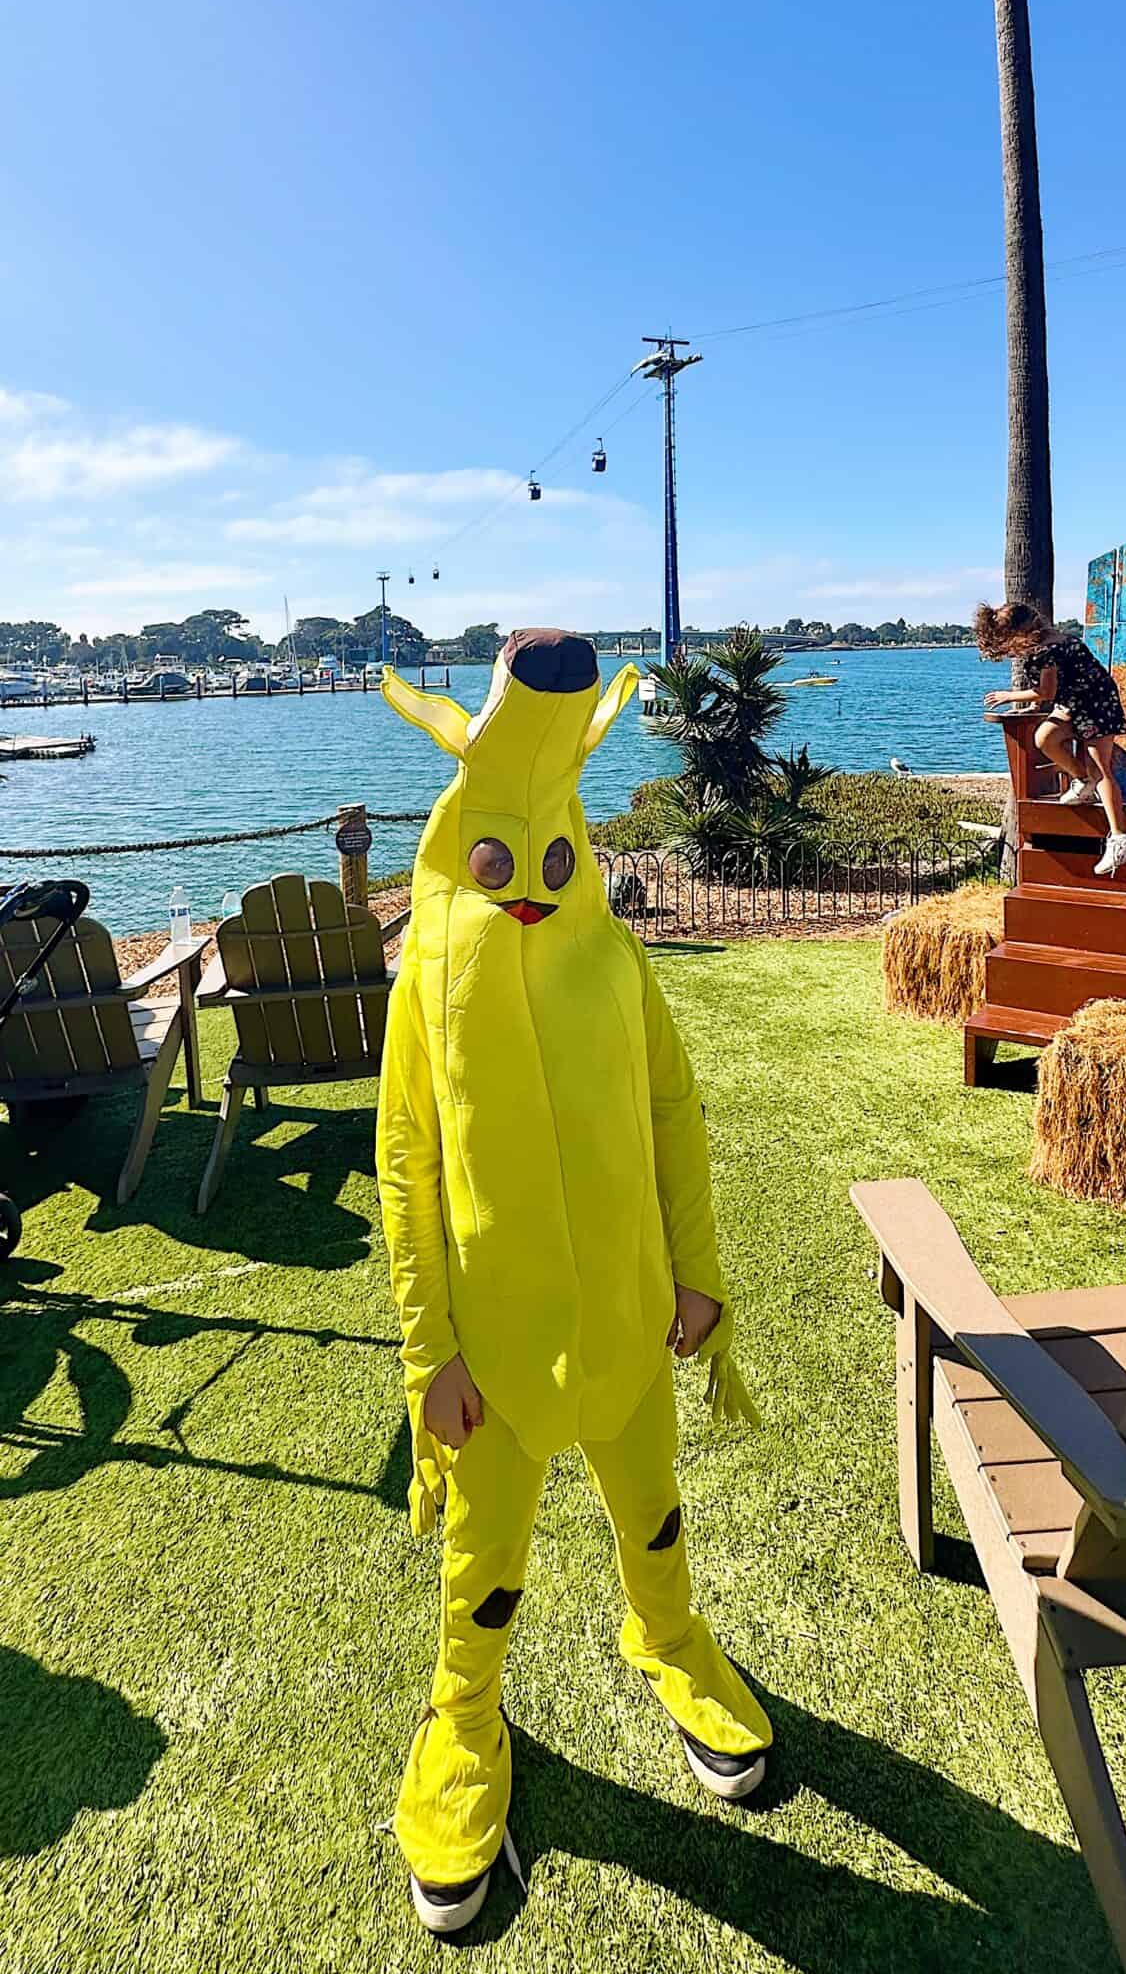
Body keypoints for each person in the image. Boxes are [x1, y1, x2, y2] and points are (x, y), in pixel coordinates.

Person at [376, 631, 771, 1936]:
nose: (532, 890)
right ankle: (465, 1723)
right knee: (481, 1576)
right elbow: (406, 1168)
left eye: (553, 861)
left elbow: (672, 1111)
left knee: (651, 1519)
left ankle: (665, 1635)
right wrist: (429, 1355)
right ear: (455, 850)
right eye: (499, 862)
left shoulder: (616, 959)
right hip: (493, 1355)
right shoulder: (427, 979)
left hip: (631, 1322)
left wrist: (698, 1277)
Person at [975, 600, 1126, 878]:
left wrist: (1009, 696)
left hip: (1095, 705)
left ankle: (1121, 838)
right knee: (1045, 738)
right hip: (1073, 704)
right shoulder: (1048, 642)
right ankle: (1082, 781)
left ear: (1021, 633)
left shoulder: (1046, 651)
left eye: (1008, 642)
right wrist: (1038, 706)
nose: (1010, 650)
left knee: (1099, 768)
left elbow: (1047, 692)